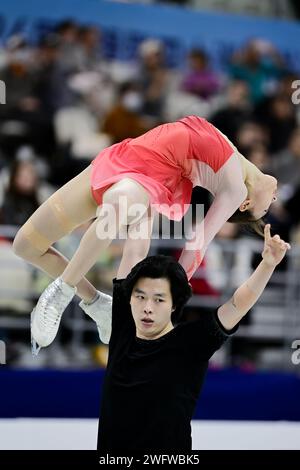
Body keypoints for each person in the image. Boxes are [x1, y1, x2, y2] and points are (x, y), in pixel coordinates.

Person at [12, 115, 278, 352]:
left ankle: (61, 292)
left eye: (265, 207)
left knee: (117, 208)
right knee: (24, 245)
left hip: (151, 178)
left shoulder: (237, 190)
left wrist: (175, 287)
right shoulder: (235, 154)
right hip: (123, 156)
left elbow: (198, 242)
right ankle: (97, 303)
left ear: (244, 204)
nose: (274, 198)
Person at [97, 225, 290, 451]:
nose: (147, 308)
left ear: (174, 305)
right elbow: (134, 253)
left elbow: (238, 304)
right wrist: (146, 194)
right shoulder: (124, 326)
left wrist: (267, 265)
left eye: (159, 300)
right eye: (140, 297)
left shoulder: (191, 342)